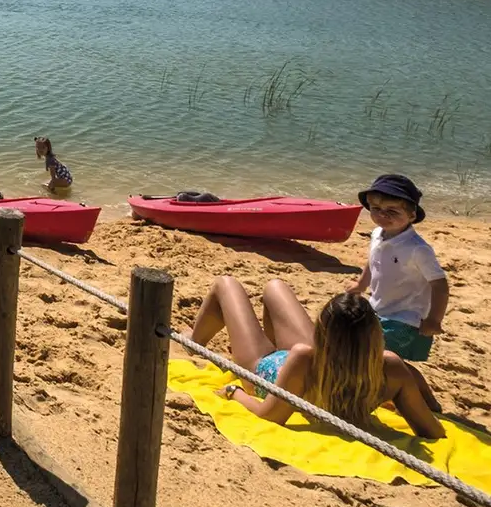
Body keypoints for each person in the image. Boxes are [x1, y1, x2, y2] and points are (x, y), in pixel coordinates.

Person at [189, 275, 444, 439]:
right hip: (312, 369)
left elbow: (269, 416)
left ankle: (193, 343)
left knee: (226, 284)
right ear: (374, 336)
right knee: (274, 287)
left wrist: (234, 391)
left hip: (266, 371)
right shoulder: (389, 366)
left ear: (323, 333)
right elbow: (431, 430)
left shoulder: (305, 357)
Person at [344, 173, 449, 363]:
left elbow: (439, 284)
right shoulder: (377, 234)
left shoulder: (417, 249)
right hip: (379, 309)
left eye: (392, 211)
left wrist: (434, 319)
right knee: (370, 354)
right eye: (376, 208)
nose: (382, 215)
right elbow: (373, 259)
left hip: (406, 318)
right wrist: (361, 284)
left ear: (412, 215)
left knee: (384, 359)